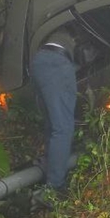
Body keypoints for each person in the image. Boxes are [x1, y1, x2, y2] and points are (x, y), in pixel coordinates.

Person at [29, 25, 81, 204]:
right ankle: (54, 188)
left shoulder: (64, 25)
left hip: (40, 60)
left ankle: (50, 168)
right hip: (57, 64)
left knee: (52, 125)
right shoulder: (86, 27)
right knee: (63, 129)